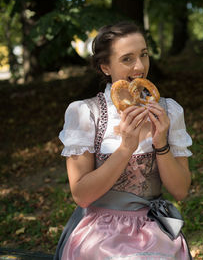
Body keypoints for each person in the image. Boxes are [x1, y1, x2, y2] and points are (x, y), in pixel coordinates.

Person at [54, 21, 193, 260]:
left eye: (144, 55)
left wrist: (161, 143)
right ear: (105, 66)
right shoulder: (86, 113)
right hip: (100, 232)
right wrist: (126, 147)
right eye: (127, 59)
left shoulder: (169, 111)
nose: (140, 66)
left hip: (155, 228)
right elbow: (82, 195)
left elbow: (180, 191)